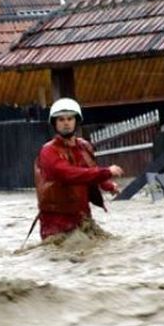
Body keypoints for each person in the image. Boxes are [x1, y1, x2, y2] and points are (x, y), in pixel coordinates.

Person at [34, 98, 124, 240]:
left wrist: (107, 185)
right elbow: (68, 174)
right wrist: (106, 172)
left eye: (70, 119)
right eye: (61, 119)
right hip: (56, 223)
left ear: (76, 121)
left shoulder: (84, 146)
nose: (66, 123)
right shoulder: (48, 151)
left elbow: (90, 170)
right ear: (55, 123)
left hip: (82, 216)